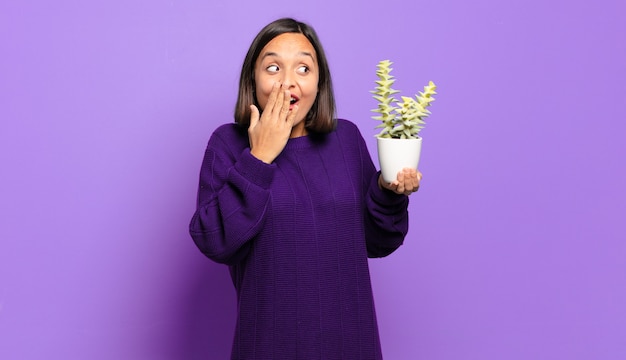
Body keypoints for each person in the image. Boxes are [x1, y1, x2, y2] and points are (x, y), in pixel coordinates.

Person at [189, 17, 422, 360]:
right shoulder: (227, 143)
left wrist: (388, 193)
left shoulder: (346, 140)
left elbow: (376, 241)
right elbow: (214, 240)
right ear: (252, 82)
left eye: (303, 68)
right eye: (272, 68)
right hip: (269, 345)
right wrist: (259, 157)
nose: (287, 83)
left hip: (351, 343)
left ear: (318, 82)